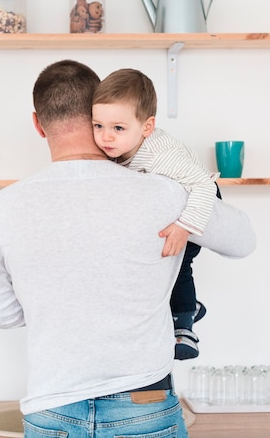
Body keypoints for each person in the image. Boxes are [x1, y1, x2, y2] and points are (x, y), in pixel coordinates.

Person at [0, 59, 255, 438]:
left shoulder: (7, 205)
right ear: (96, 110)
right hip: (145, 403)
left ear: (38, 123)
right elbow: (243, 241)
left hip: (52, 408)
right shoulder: (165, 191)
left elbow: (5, 315)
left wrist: (68, 306)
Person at [91, 68, 218, 360]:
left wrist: (186, 225)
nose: (105, 137)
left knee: (180, 260)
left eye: (118, 128)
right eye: (98, 126)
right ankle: (189, 307)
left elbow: (202, 185)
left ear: (147, 127)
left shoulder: (161, 153)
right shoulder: (117, 150)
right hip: (170, 202)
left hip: (198, 194)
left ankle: (184, 324)